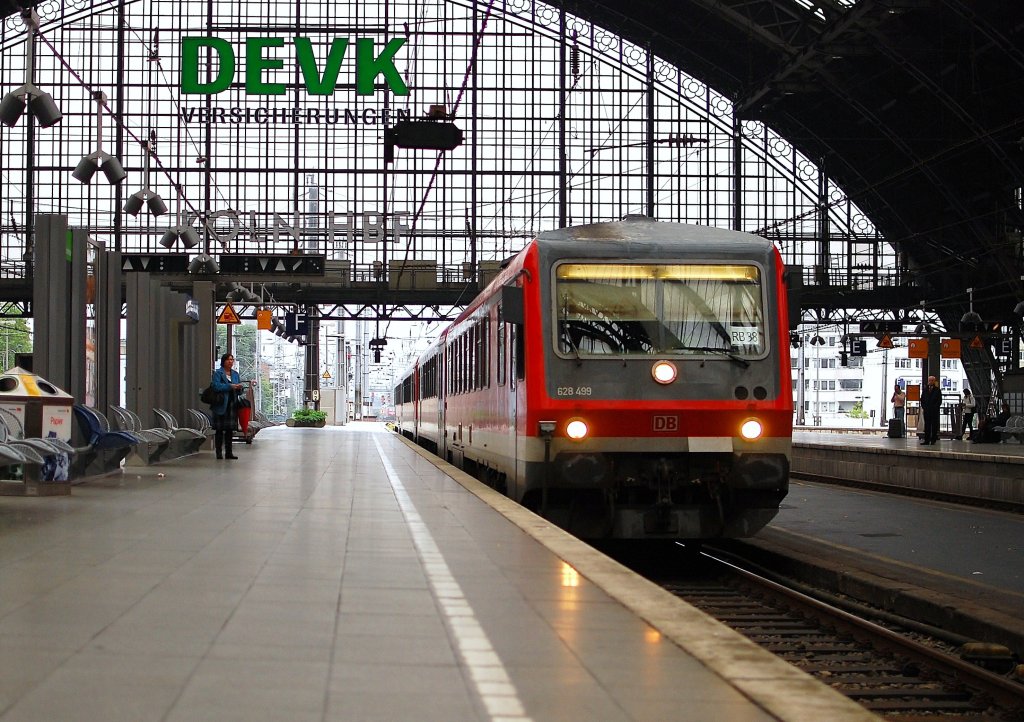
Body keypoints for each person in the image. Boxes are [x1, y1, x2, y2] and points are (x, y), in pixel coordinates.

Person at [210, 353, 244, 459]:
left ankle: (229, 453)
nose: (230, 361)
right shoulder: (218, 373)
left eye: (232, 360)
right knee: (219, 430)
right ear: (223, 361)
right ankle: (219, 453)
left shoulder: (235, 374)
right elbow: (215, 386)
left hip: (232, 404)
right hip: (221, 404)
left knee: (230, 430)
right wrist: (230, 386)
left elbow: (239, 389)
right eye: (228, 359)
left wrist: (239, 388)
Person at [920, 374, 942, 445]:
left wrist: (935, 407)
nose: (931, 381)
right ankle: (926, 440)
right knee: (927, 425)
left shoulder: (937, 390)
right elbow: (922, 400)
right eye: (929, 380)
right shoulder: (925, 390)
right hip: (927, 411)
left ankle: (933, 440)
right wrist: (924, 407)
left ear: (934, 381)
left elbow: (939, 401)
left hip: (934, 411)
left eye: (932, 380)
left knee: (934, 425)